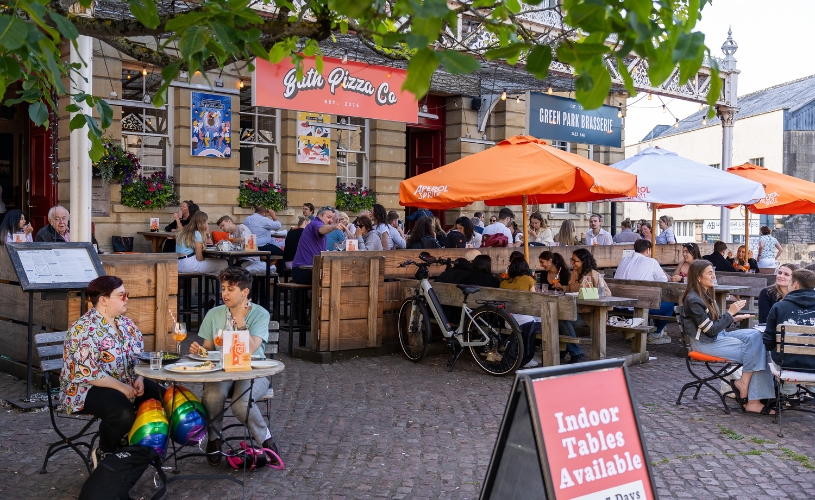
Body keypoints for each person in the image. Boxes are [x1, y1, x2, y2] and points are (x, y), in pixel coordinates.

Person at [59, 276, 164, 465]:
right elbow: (88, 372)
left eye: (126, 295)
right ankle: (104, 452)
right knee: (122, 411)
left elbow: (139, 357)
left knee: (162, 397)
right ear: (103, 300)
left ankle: (135, 443)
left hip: (126, 382)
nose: (127, 299)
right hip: (83, 389)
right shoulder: (83, 329)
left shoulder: (126, 323)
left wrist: (140, 378)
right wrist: (123, 388)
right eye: (121, 295)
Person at [189, 267, 279, 466]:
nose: (224, 294)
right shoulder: (214, 314)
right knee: (212, 396)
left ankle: (266, 439)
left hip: (254, 370)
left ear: (245, 292)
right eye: (223, 288)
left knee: (241, 404)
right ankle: (214, 439)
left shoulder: (260, 314)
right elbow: (209, 349)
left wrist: (240, 322)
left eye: (230, 289)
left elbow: (252, 347)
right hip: (222, 371)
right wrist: (199, 350)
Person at [679, 259, 775, 414]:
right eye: (710, 273)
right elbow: (709, 330)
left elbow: (713, 324)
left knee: (758, 335)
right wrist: (730, 314)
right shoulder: (693, 300)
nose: (713, 276)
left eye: (713, 272)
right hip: (705, 343)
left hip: (717, 336)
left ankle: (746, 385)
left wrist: (734, 318)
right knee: (758, 351)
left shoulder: (705, 294)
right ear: (698, 277)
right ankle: (752, 399)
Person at [614, 239, 674, 344]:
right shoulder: (651, 261)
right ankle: (656, 334)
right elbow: (664, 281)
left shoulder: (623, 260)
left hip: (619, 305)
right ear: (648, 250)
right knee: (669, 305)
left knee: (647, 300)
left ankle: (635, 329)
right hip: (637, 306)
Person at [763, 269, 815, 375]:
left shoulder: (779, 307)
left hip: (786, 363)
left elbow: (768, 340)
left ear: (795, 285)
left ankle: (787, 391)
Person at [538, 251, 584, 362]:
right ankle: (562, 351)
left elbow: (570, 292)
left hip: (569, 309)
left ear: (550, 260)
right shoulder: (544, 274)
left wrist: (562, 288)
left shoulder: (564, 274)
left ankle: (574, 352)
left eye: (542, 262)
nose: (541, 265)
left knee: (560, 320)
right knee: (553, 318)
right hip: (552, 308)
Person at [499, 258, 540, 368]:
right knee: (541, 319)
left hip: (508, 319)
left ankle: (515, 349)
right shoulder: (528, 279)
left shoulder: (503, 283)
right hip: (523, 319)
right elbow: (535, 299)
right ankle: (526, 355)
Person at [291, 207, 347, 284]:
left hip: (307, 270)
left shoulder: (315, 225)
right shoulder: (316, 223)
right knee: (336, 279)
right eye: (328, 217)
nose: (331, 220)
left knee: (337, 277)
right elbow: (321, 229)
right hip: (303, 271)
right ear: (320, 216)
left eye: (332, 218)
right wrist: (333, 227)